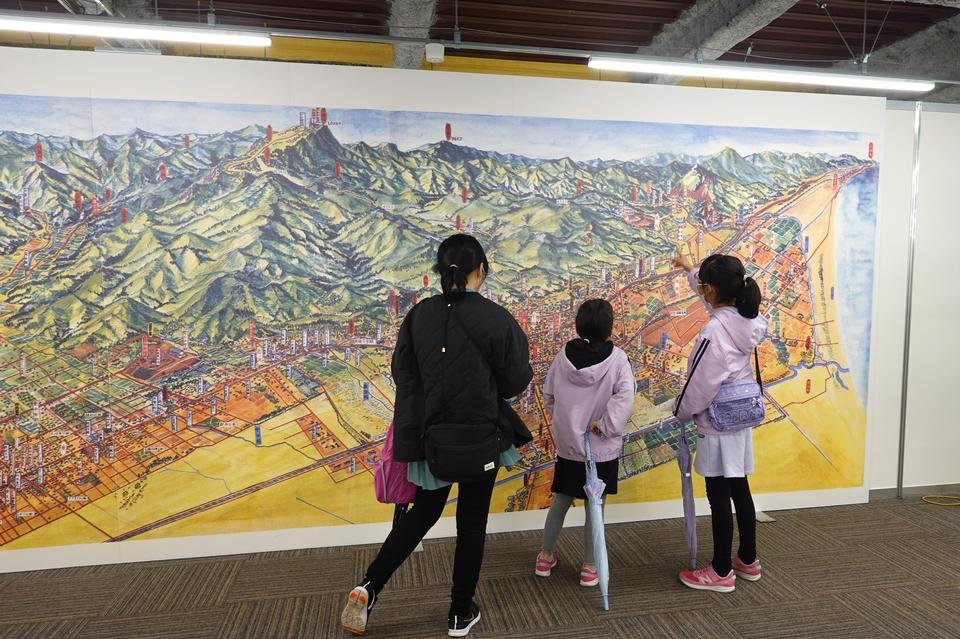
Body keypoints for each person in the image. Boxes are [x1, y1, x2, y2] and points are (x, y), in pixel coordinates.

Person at [341, 234, 532, 637]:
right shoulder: (497, 319)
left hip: (432, 439)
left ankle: (370, 586)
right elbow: (515, 380)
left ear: (441, 271)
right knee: (472, 523)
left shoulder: (419, 316)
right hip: (481, 438)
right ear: (481, 270)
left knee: (422, 515)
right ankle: (460, 612)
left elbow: (403, 374)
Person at [672, 252, 768, 593]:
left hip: (717, 421)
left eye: (703, 286)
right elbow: (714, 301)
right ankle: (748, 559)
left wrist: (680, 411)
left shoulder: (713, 332)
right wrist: (692, 269)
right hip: (741, 416)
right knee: (739, 487)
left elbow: (700, 384)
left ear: (711, 290)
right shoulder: (747, 318)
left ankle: (721, 571)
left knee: (718, 495)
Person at [536, 299, 636, 587]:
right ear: (609, 327)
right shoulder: (618, 360)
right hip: (601, 450)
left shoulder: (562, 356)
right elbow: (624, 400)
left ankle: (545, 556)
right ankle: (589, 567)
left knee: (560, 500)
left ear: (578, 325)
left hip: (569, 447)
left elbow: (549, 396)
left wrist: (567, 424)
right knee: (596, 506)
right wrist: (603, 426)